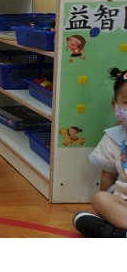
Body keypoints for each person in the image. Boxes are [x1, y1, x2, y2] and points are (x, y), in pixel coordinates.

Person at [72, 67, 127, 237]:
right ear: (115, 106)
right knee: (100, 199)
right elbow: (108, 178)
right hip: (123, 205)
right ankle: (117, 230)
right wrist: (106, 212)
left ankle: (113, 232)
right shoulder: (113, 138)